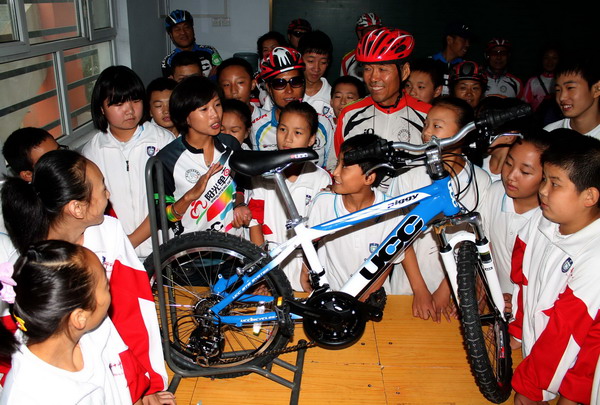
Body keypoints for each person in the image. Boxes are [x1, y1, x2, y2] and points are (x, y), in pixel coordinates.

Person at [1, 149, 168, 400]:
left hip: (113, 373)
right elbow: (12, 349)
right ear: (77, 208)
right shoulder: (27, 268)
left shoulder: (107, 232)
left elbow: (133, 309)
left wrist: (147, 384)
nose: (108, 195)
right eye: (102, 188)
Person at [0, 240, 176, 405]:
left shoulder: (89, 329)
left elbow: (122, 376)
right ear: (80, 317)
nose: (110, 289)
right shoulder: (28, 395)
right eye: (105, 286)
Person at [509, 130, 600, 404]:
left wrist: (531, 388)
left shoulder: (595, 260)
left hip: (575, 376)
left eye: (556, 184)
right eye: (545, 179)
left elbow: (570, 334)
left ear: (589, 196)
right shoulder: (539, 222)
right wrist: (517, 330)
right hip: (540, 360)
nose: (543, 190)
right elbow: (523, 281)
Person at [389, 97, 491, 321]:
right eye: (426, 125)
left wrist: (447, 288)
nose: (427, 133)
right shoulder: (409, 176)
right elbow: (399, 237)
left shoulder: (480, 181)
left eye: (437, 126)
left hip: (457, 281)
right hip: (410, 280)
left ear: (463, 134)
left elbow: (476, 239)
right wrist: (420, 290)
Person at [305, 134, 422, 299]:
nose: (335, 172)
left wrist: (367, 295)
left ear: (369, 178)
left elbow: (389, 258)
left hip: (374, 298)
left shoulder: (391, 210)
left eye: (344, 166)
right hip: (330, 297)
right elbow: (309, 245)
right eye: (338, 163)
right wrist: (305, 274)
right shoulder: (323, 203)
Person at [83, 65, 175, 258]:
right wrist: (120, 246)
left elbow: (169, 201)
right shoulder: (93, 151)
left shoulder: (163, 141)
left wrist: (130, 242)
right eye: (118, 104)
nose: (130, 110)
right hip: (116, 252)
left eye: (135, 100)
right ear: (101, 108)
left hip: (164, 248)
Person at [334, 27, 431, 189]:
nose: (373, 78)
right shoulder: (349, 114)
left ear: (405, 71)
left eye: (383, 69)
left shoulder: (428, 115)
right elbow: (336, 166)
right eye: (367, 69)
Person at [248, 101, 331, 290]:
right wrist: (265, 274)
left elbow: (321, 232)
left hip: (308, 265)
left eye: (298, 133)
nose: (287, 139)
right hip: (271, 263)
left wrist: (307, 269)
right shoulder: (262, 174)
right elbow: (255, 224)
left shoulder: (320, 178)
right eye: (283, 129)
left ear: (311, 140)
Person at [154, 75, 251, 236]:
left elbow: (241, 183)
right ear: (185, 117)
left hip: (233, 249)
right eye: (204, 109)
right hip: (190, 252)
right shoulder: (167, 160)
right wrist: (189, 197)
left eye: (217, 105)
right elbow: (162, 218)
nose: (215, 114)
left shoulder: (231, 145)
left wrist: (239, 204)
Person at [478, 130, 555, 297]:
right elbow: (485, 244)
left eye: (525, 172)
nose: (511, 176)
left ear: (547, 176)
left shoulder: (551, 217)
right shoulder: (495, 193)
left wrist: (518, 302)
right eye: (508, 163)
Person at [252, 46, 335, 169]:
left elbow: (330, 168)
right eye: (279, 84)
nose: (289, 91)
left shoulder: (323, 123)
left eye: (295, 81)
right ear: (269, 89)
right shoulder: (259, 128)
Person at [544, 55, 600, 139]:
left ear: (596, 89)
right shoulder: (549, 134)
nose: (562, 97)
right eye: (558, 90)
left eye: (570, 88)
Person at [161, 9, 222, 78]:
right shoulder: (168, 61)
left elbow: (222, 77)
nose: (183, 33)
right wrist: (209, 80)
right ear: (171, 35)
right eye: (177, 29)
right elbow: (172, 87)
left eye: (186, 27)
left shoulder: (210, 51)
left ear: (193, 29)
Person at [430, 21, 473, 95]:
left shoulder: (467, 67)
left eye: (469, 41)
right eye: (463, 40)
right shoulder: (429, 63)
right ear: (449, 40)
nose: (467, 44)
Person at [340, 12, 383, 80]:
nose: (373, 36)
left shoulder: (390, 56)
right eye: (369, 32)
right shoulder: (347, 60)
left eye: (376, 32)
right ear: (360, 34)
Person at [298, 30, 333, 105]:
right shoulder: (287, 93)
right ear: (299, 59)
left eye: (323, 62)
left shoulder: (332, 97)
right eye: (311, 61)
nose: (316, 68)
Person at [522, 46, 560, 111]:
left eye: (554, 58)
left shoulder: (563, 80)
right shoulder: (532, 81)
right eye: (546, 57)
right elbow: (525, 105)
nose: (550, 61)